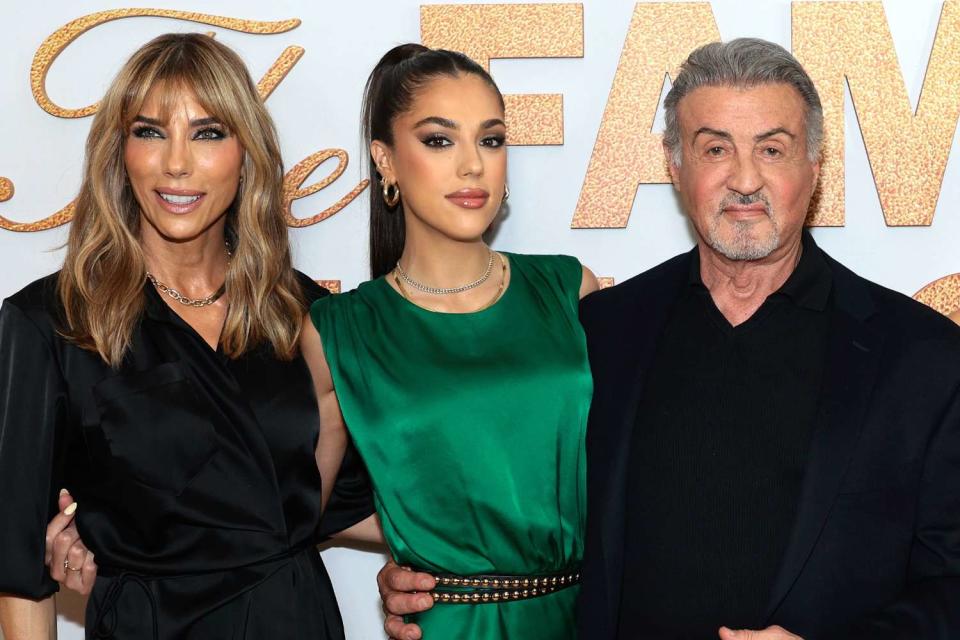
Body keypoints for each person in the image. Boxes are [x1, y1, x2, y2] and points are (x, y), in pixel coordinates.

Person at [379, 38, 960, 640]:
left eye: (772, 149)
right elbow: (518, 507)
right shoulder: (599, 334)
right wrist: (447, 579)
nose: (744, 180)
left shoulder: (922, 360)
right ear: (675, 164)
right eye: (715, 148)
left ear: (814, 166)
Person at [0, 33, 376, 639]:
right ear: (118, 152)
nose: (176, 162)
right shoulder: (52, 322)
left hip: (295, 619)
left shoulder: (302, 312)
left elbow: (341, 502)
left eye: (207, 133)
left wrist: (478, 560)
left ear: (245, 153)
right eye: (149, 131)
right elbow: (19, 572)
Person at [301, 43, 598, 639]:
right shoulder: (340, 331)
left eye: (490, 140)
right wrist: (417, 533)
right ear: (385, 160)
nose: (473, 166)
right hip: (448, 627)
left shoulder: (570, 290)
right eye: (440, 140)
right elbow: (287, 514)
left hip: (589, 617)